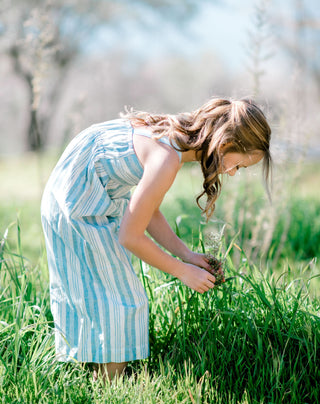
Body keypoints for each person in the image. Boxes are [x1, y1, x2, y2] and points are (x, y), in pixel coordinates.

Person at [41, 97, 272, 382]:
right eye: (240, 165)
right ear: (224, 144)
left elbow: (147, 212)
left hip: (81, 198)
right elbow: (130, 236)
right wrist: (182, 271)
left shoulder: (169, 135)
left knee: (107, 294)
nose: (234, 173)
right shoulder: (166, 159)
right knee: (123, 300)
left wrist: (187, 255)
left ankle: (100, 379)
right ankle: (109, 389)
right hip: (78, 209)